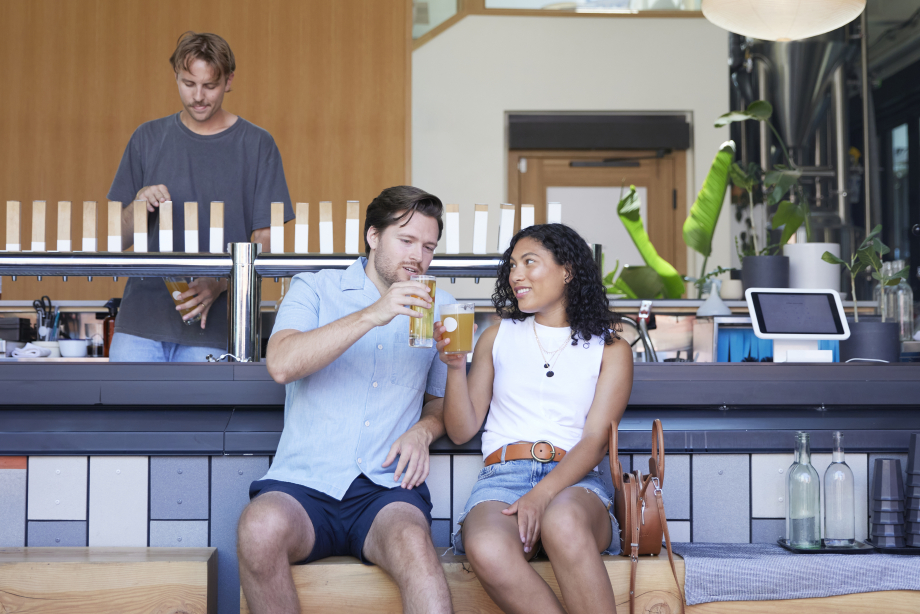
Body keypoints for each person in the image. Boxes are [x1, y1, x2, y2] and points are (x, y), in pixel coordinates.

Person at [238, 186, 455, 614]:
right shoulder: (315, 288)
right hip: (303, 483)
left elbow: (441, 403)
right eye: (406, 240)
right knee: (258, 528)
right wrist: (374, 313)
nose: (418, 257)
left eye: (428, 247)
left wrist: (424, 431)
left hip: (385, 489)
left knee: (416, 544)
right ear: (373, 236)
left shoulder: (441, 306)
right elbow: (281, 363)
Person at [435, 223, 633, 614]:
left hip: (576, 480)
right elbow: (461, 430)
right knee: (486, 546)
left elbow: (595, 440)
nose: (516, 275)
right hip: (502, 477)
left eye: (529, 262)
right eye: (512, 265)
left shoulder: (611, 349)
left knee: (562, 522)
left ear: (567, 271)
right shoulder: (496, 336)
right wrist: (455, 367)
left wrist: (540, 496)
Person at [107, 31, 293, 362]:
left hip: (216, 330)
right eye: (188, 83)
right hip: (140, 323)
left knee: (200, 415)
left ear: (229, 80)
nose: (198, 96)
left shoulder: (257, 145)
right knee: (124, 412)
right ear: (176, 77)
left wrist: (221, 281)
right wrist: (138, 205)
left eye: (210, 86)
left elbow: (268, 243)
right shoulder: (146, 138)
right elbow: (114, 240)